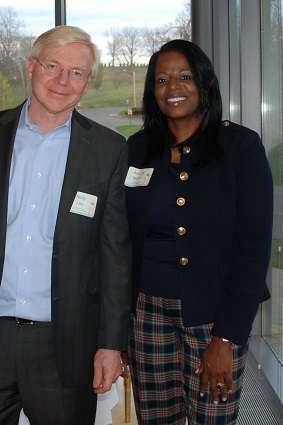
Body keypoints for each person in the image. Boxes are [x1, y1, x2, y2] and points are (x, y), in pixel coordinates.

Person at [0, 25, 131, 425]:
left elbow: (115, 257)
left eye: (77, 72)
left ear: (88, 82)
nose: (63, 81)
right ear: (30, 67)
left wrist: (110, 343)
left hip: (64, 344)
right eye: (53, 66)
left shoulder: (109, 150)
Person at [124, 39, 273, 424]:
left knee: (213, 418)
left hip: (214, 317)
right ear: (152, 91)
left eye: (184, 77)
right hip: (146, 317)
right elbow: (120, 240)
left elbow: (254, 249)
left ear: (203, 83)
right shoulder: (137, 150)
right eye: (161, 79)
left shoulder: (239, 146)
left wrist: (226, 338)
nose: (172, 87)